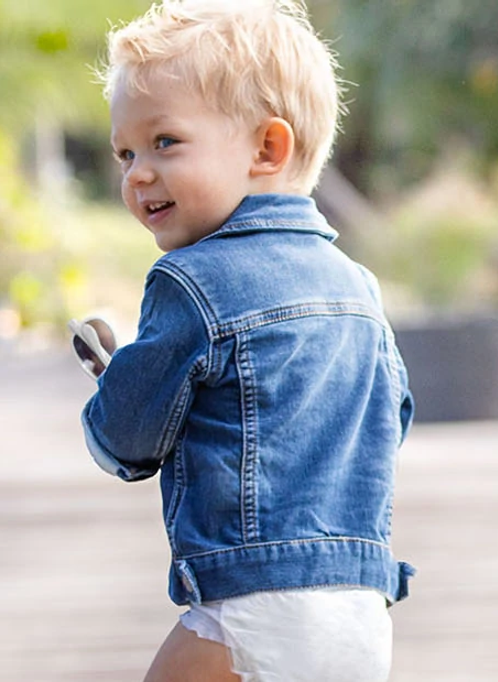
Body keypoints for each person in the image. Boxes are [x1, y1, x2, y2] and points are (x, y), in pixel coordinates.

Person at [79, 1, 415, 679]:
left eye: (165, 142)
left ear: (267, 148)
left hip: (251, 603)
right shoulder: (358, 287)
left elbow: (130, 437)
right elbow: (392, 417)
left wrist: (113, 382)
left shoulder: (193, 280)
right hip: (360, 606)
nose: (137, 173)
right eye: (126, 153)